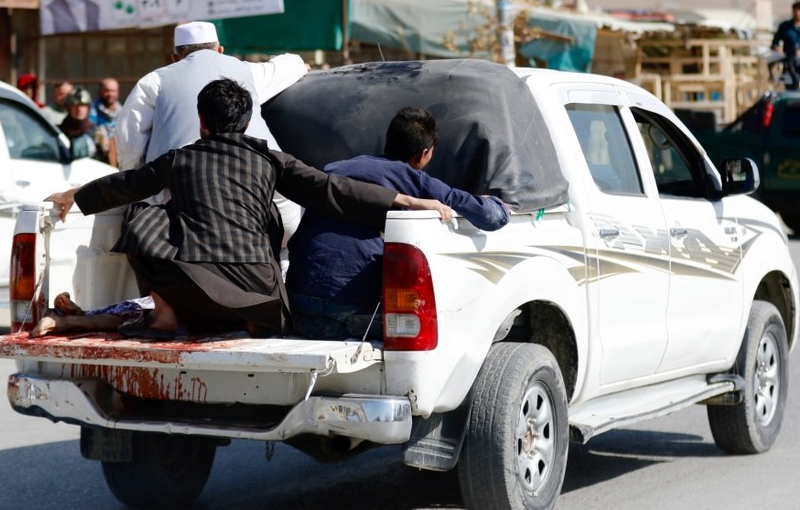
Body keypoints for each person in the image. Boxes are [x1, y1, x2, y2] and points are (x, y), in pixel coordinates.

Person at [44, 78, 452, 340]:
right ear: (246, 122)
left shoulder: (179, 159)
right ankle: (227, 320)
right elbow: (333, 190)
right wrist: (404, 199)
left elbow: (123, 186)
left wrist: (73, 196)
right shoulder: (269, 159)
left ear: (202, 121)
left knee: (142, 214)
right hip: (261, 300)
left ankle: (163, 315)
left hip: (195, 292)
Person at [286, 107, 512, 341]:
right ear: (423, 154)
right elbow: (489, 217)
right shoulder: (413, 180)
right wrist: (500, 205)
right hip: (351, 313)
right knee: (449, 329)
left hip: (298, 306)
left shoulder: (335, 169)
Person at [114, 20, 309, 270]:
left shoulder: (154, 81)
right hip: (269, 193)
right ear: (220, 50)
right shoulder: (243, 71)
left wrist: (137, 183)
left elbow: (129, 141)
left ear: (175, 56)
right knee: (285, 240)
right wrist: (303, 66)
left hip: (186, 202)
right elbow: (291, 64)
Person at [58, 87, 97, 159]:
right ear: (69, 108)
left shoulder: (97, 133)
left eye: (83, 105)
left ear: (88, 108)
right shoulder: (59, 132)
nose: (79, 109)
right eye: (75, 105)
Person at [90, 77, 121, 166]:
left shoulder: (123, 112)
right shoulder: (91, 111)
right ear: (99, 91)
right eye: (107, 91)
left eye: (113, 91)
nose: (110, 94)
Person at [771, 1, 800, 91]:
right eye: (796, 11)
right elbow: (774, 44)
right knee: (792, 89)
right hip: (789, 63)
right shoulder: (785, 27)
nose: (798, 13)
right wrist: (778, 50)